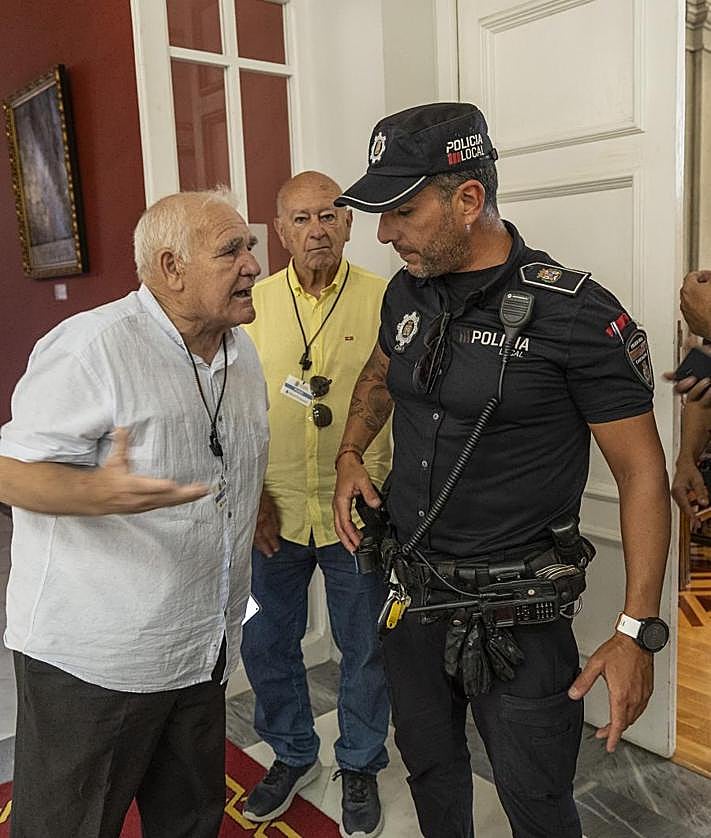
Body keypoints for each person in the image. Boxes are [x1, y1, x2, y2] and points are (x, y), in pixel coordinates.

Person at [331, 103, 671, 838]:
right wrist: (350, 454)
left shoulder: (576, 315)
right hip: (412, 600)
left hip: (521, 620)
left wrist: (635, 629)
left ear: (467, 199)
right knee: (429, 771)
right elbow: (381, 374)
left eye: (401, 212)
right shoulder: (406, 290)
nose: (384, 234)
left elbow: (643, 473)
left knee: (537, 801)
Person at [0, 188, 268, 838]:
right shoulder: (92, 348)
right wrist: (94, 494)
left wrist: (256, 502)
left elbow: (229, 456)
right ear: (171, 268)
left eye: (250, 246)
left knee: (191, 819)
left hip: (201, 646)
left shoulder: (240, 352)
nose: (253, 264)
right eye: (231, 251)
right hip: (97, 663)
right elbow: (9, 469)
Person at [239, 171, 391, 838]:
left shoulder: (387, 300)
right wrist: (250, 498)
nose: (316, 230)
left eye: (329, 215)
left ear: (350, 223)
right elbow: (234, 408)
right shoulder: (252, 304)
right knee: (263, 639)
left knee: (365, 646)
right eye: (300, 219)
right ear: (280, 231)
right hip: (272, 510)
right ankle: (293, 751)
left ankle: (359, 762)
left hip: (355, 510)